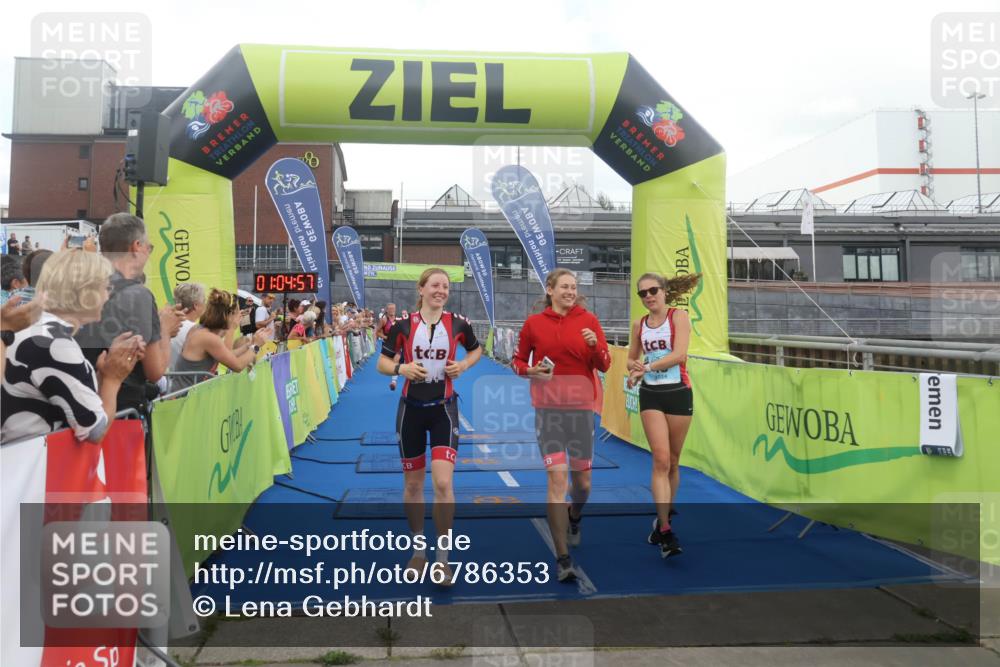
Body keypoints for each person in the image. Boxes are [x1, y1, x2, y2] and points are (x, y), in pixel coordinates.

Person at [377, 268, 482, 585]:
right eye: (435, 285)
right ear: (421, 289)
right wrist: (402, 368)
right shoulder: (402, 325)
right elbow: (382, 363)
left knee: (442, 483)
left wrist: (463, 364)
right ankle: (418, 551)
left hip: (443, 410)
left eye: (445, 286)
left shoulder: (459, 323)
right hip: (410, 410)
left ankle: (443, 560)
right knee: (412, 485)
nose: (441, 290)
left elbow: (476, 349)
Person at [511, 268, 611, 583]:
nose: (570, 291)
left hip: (581, 412)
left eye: (573, 287)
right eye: (564, 286)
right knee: (557, 479)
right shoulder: (534, 323)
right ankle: (562, 557)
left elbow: (605, 364)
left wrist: (595, 346)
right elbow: (517, 362)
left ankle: (574, 515)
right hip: (548, 411)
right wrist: (531, 371)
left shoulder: (589, 320)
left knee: (583, 485)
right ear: (550, 290)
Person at [1, 250, 143, 442]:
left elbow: (68, 396)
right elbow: (94, 429)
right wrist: (113, 379)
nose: (108, 296)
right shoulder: (54, 342)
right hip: (34, 458)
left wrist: (104, 374)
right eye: (106, 287)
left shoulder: (37, 329)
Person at [75, 213, 184, 414]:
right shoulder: (138, 295)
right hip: (118, 409)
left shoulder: (78, 286)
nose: (149, 253)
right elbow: (155, 371)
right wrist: (165, 331)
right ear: (136, 246)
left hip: (75, 401)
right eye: (149, 247)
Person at [627, 272, 700, 559]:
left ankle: (662, 519)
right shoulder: (639, 325)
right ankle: (667, 531)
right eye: (642, 293)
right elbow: (631, 358)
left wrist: (646, 367)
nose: (648, 297)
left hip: (678, 392)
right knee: (660, 458)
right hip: (652, 395)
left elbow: (680, 355)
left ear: (664, 291)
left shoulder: (678, 317)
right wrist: (635, 370)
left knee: (673, 461)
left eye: (653, 291)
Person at [172, 289, 270, 392]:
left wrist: (250, 344)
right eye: (237, 313)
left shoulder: (201, 330)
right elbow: (238, 366)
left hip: (185, 393)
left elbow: (228, 354)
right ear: (228, 315)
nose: (238, 317)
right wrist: (256, 346)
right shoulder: (208, 338)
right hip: (182, 396)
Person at [169, 283, 207, 373]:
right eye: (204, 301)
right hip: (189, 380)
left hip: (169, 378)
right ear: (196, 305)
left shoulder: (168, 325)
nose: (205, 304)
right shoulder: (195, 330)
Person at [378, 303, 400, 390]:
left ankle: (393, 382)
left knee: (396, 360)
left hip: (397, 344)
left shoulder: (398, 319)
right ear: (387, 310)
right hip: (387, 344)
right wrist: (385, 337)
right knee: (387, 364)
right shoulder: (383, 320)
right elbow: (377, 332)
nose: (392, 310)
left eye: (393, 308)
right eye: (390, 309)